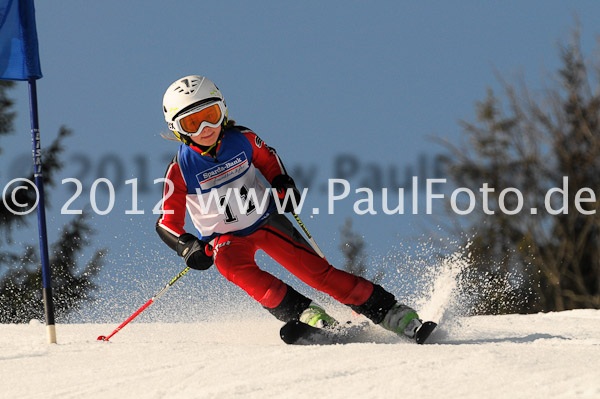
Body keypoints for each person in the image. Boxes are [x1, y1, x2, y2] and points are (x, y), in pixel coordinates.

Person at [156, 75, 423, 339]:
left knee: (319, 275)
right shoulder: (181, 170)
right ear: (177, 129)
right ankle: (307, 315)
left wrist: (282, 183)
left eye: (211, 114)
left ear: (223, 110)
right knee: (232, 266)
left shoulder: (242, 139)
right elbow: (167, 222)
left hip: (266, 221)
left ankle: (392, 313)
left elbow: (268, 159)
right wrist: (186, 245)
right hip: (224, 239)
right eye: (192, 123)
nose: (205, 127)